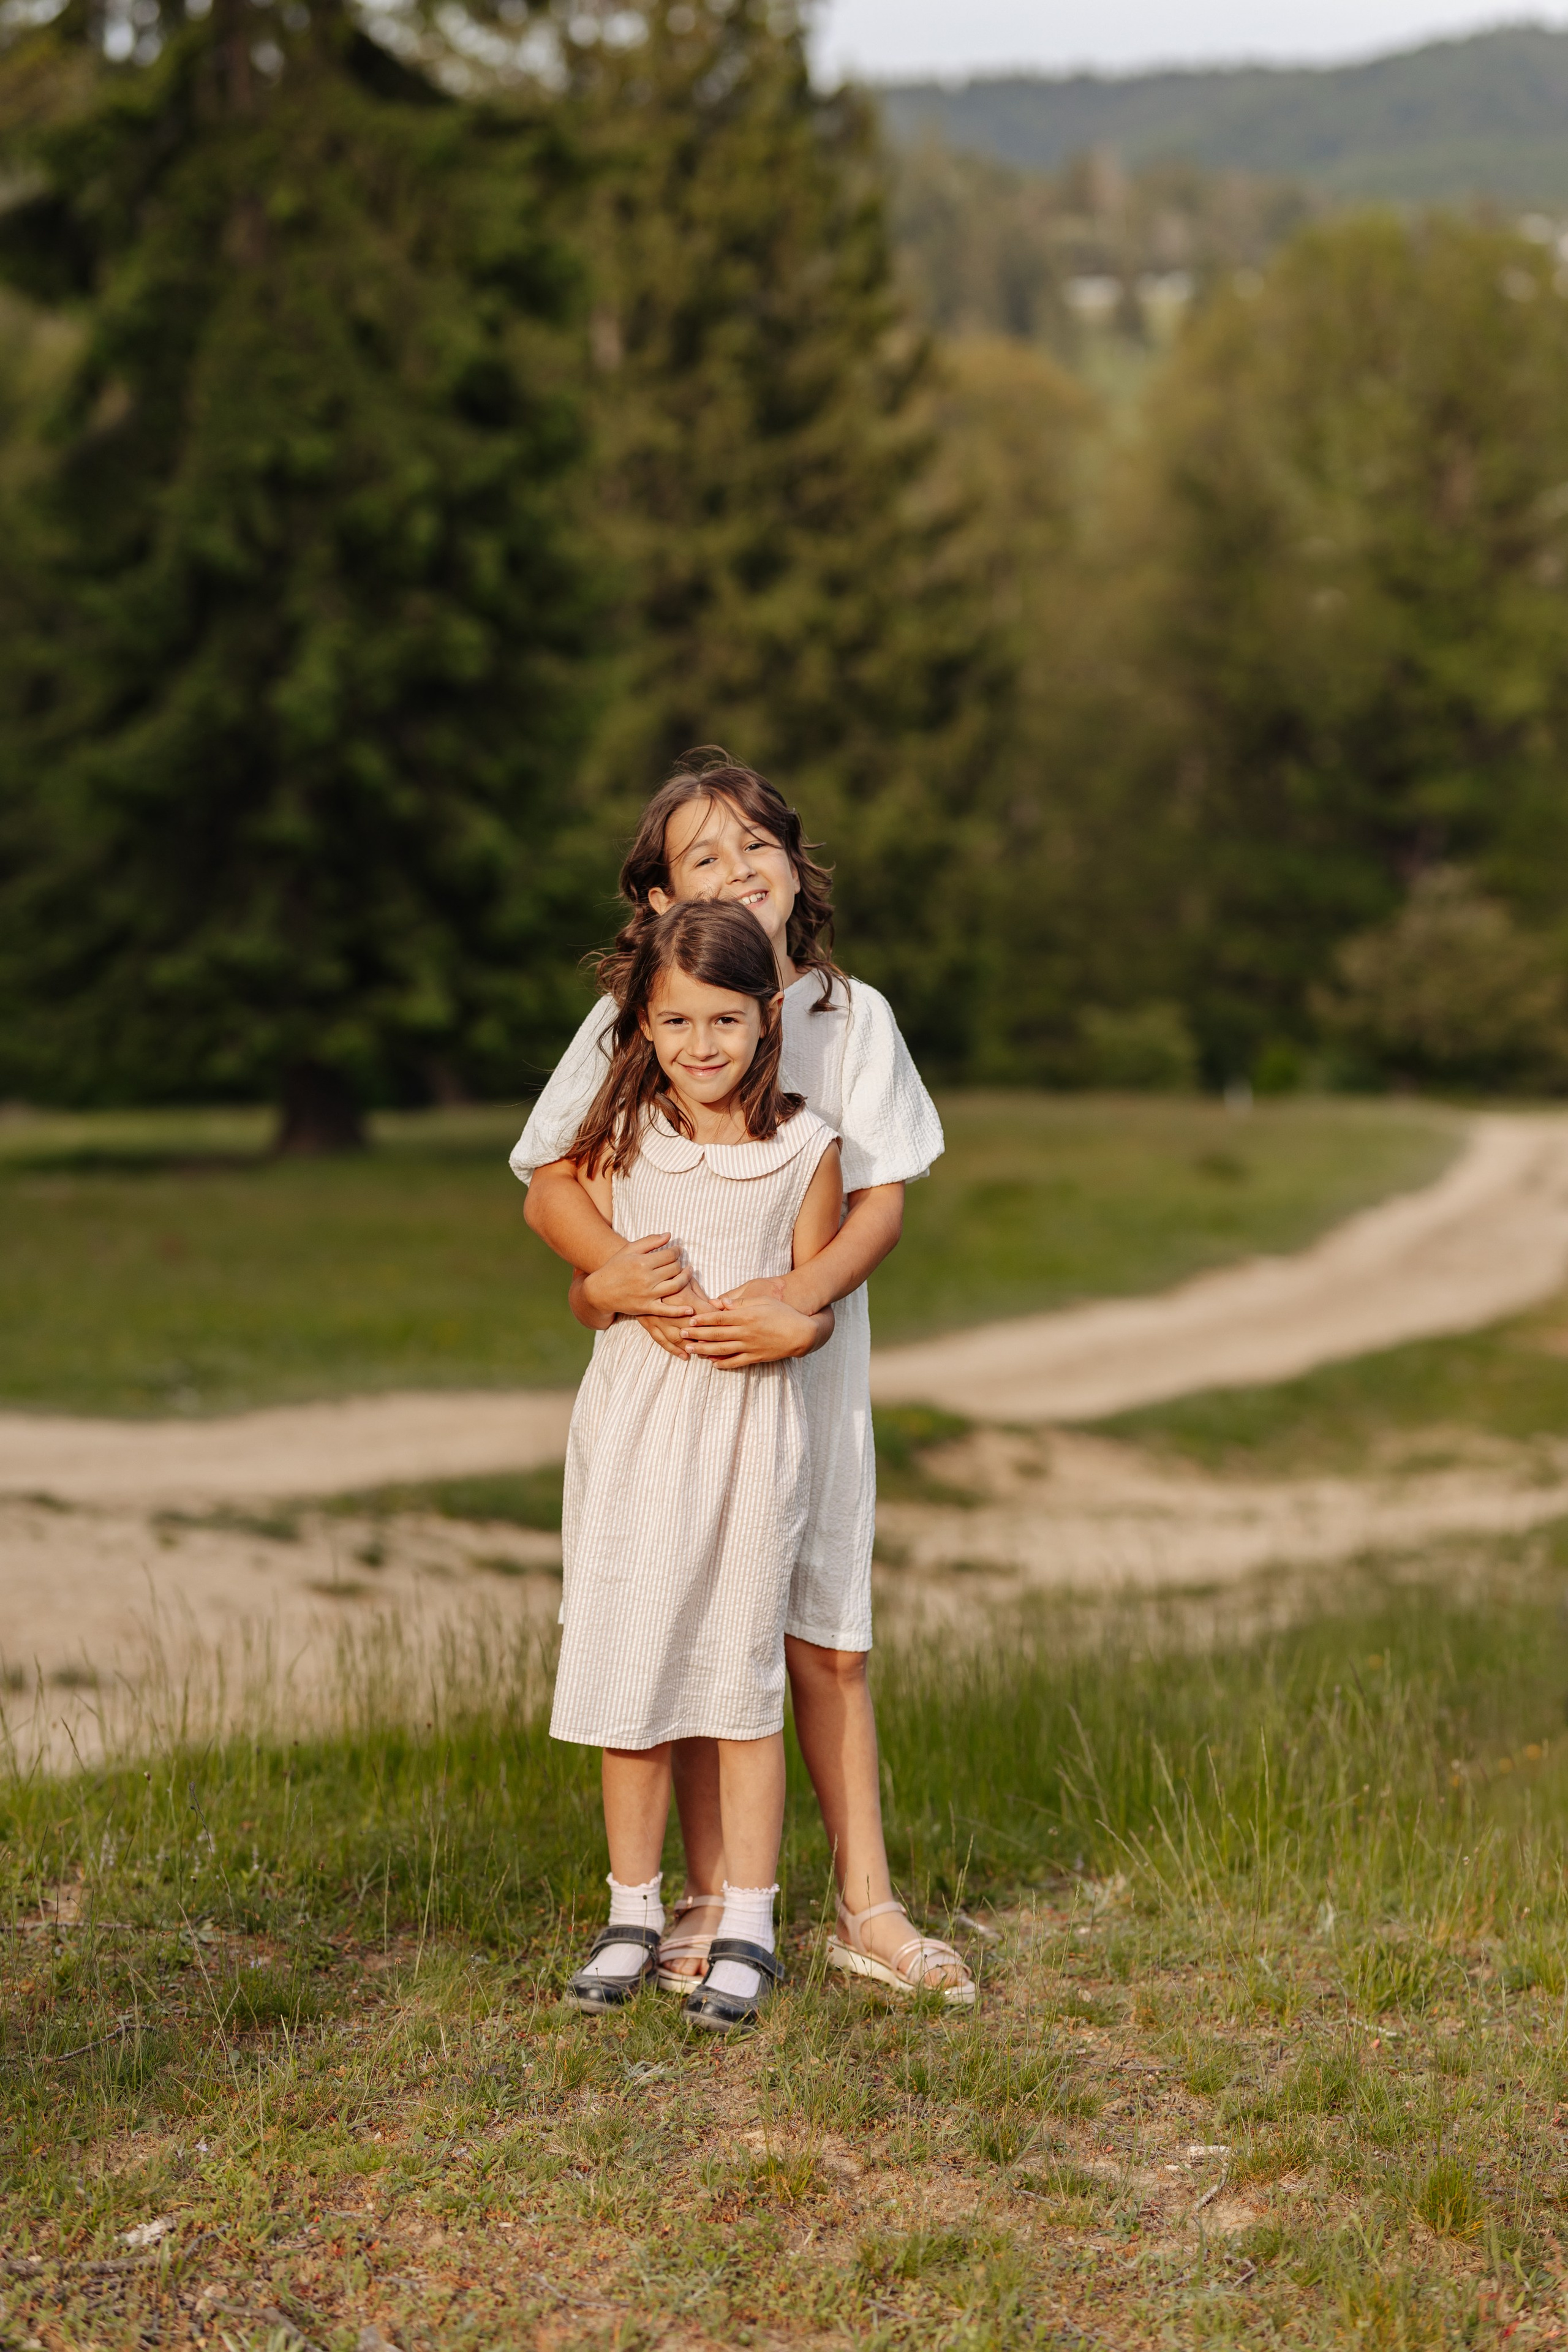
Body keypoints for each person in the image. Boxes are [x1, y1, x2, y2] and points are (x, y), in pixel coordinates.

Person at [513, 749, 974, 2007]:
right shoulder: (641, 1013)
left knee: (824, 1637)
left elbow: (879, 1203)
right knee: (694, 1623)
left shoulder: (850, 1016)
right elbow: (555, 1180)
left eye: (754, 844)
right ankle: (708, 1896)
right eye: (700, 857)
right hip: (672, 1386)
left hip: (804, 1376)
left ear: (795, 864)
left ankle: (869, 1909)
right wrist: (612, 1276)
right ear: (660, 901)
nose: (736, 869)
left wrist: (797, 1304)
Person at [551, 897, 842, 2033]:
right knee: (632, 1676)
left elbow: (818, 1304)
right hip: (634, 1439)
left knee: (739, 1680)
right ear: (644, 1026)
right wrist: (604, 1287)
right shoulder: (624, 1141)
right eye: (675, 1022)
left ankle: (748, 1922)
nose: (701, 1045)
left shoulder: (806, 1149)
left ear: (768, 1019)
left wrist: (792, 1327)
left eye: (725, 1019)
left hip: (748, 1442)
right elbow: (588, 1297)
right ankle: (631, 1908)